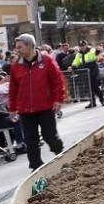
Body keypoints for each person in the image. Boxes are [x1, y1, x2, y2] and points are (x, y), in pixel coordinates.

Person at [8, 34, 65, 171]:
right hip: (25, 110)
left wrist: (58, 99)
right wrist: (12, 108)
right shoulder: (16, 66)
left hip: (45, 107)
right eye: (16, 48)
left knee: (50, 136)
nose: (17, 50)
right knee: (30, 140)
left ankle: (61, 155)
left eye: (20, 47)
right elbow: (13, 89)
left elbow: (58, 81)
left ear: (29, 46)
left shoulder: (47, 61)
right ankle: (35, 166)